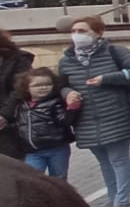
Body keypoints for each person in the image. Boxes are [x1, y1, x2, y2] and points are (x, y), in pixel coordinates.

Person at [57, 16, 130, 207]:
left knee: (118, 159)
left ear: (98, 33)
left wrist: (108, 79)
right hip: (86, 119)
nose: (77, 35)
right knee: (104, 162)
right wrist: (67, 93)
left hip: (115, 114)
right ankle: (113, 199)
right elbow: (60, 84)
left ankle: (123, 203)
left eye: (82, 31)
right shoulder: (67, 59)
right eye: (75, 31)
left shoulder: (115, 52)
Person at [10, 67, 79, 177]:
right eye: (37, 85)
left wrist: (72, 108)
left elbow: (64, 121)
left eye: (48, 84)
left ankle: (59, 194)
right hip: (33, 152)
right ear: (27, 88)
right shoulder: (21, 105)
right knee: (33, 178)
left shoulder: (55, 103)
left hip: (57, 149)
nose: (43, 88)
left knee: (58, 179)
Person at [0, 30, 36, 162]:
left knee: (12, 165)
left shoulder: (18, 59)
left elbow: (20, 88)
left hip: (11, 123)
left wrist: (5, 115)